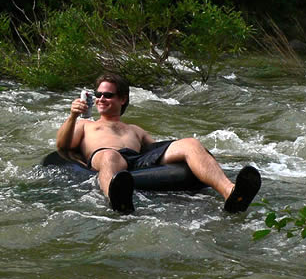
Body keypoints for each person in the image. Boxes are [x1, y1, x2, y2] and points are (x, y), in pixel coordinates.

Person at [56, 73, 261, 214]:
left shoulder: (135, 129)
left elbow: (157, 154)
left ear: (123, 99)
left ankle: (231, 193)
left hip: (136, 161)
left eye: (108, 95)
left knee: (190, 143)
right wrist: (73, 115)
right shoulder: (85, 125)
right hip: (106, 157)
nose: (101, 99)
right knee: (111, 156)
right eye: (98, 94)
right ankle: (117, 202)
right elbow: (62, 145)